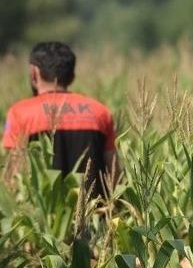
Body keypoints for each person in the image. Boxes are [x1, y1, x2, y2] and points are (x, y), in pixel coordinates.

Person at [3, 42, 118, 198]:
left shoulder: (20, 113)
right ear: (71, 77)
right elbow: (114, 174)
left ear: (34, 73)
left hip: (42, 218)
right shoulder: (100, 112)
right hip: (93, 216)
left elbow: (14, 177)